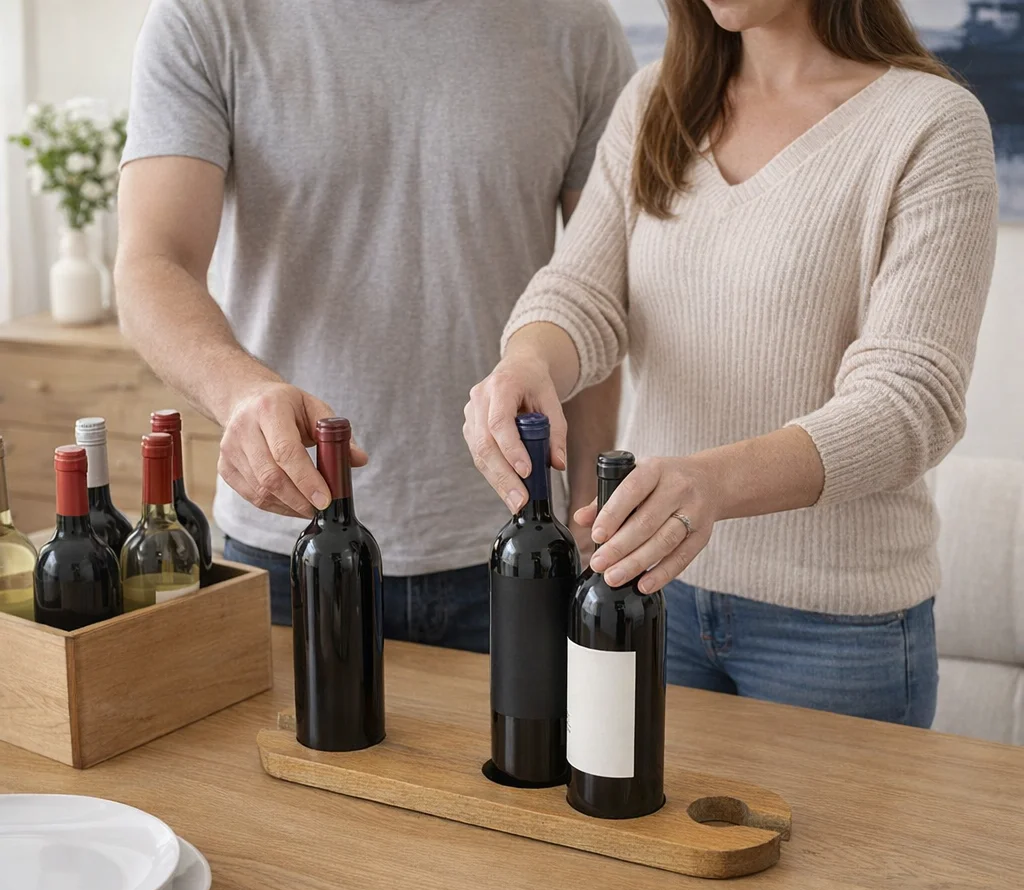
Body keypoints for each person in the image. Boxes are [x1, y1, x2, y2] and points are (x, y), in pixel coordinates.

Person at [463, 0, 998, 724]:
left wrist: (708, 485)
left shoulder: (931, 123)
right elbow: (583, 293)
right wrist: (528, 359)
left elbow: (910, 402)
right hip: (650, 592)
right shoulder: (656, 102)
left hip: (836, 631)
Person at [115, 0, 636, 648]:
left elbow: (598, 284)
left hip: (516, 544)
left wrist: (586, 503)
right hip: (290, 543)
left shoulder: (576, 26)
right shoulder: (207, 17)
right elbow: (151, 261)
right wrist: (240, 392)